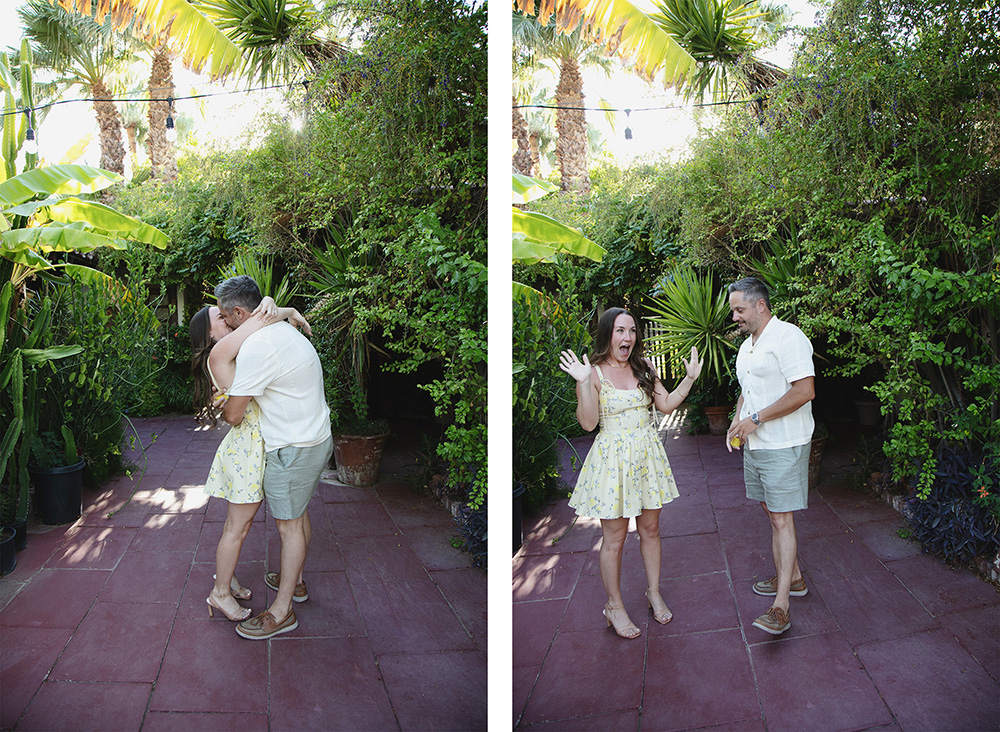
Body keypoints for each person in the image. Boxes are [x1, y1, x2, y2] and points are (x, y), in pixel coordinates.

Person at [559, 307, 702, 639]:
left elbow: (666, 405)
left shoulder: (643, 368)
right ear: (608, 333)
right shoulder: (593, 373)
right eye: (621, 331)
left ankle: (653, 592)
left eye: (633, 331)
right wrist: (583, 383)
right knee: (615, 539)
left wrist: (690, 378)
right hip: (613, 462)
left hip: (646, 457)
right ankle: (614, 605)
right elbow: (589, 423)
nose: (628, 337)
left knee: (651, 530)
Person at [216, 275, 333, 640]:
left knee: (289, 525)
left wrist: (221, 407)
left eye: (224, 317)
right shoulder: (281, 328)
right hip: (315, 437)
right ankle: (293, 581)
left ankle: (282, 612)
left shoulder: (258, 347)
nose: (226, 326)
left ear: (239, 312)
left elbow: (234, 416)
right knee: (297, 515)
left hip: (293, 447)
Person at [190, 297, 310, 623]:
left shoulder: (235, 351)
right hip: (246, 451)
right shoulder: (220, 355)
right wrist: (285, 310)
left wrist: (276, 308)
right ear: (211, 333)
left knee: (240, 527)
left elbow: (258, 322)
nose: (228, 318)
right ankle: (220, 594)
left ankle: (226, 579)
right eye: (220, 317)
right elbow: (259, 320)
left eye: (227, 313)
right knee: (237, 529)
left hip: (255, 447)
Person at [725, 277, 815, 636]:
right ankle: (792, 578)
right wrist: (737, 420)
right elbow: (748, 392)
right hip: (757, 444)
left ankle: (781, 607)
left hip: (784, 442)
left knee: (781, 519)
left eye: (740, 310)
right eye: (734, 310)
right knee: (771, 511)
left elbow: (805, 391)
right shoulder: (748, 346)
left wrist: (756, 420)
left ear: (760, 305)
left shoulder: (788, 337)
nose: (735, 317)